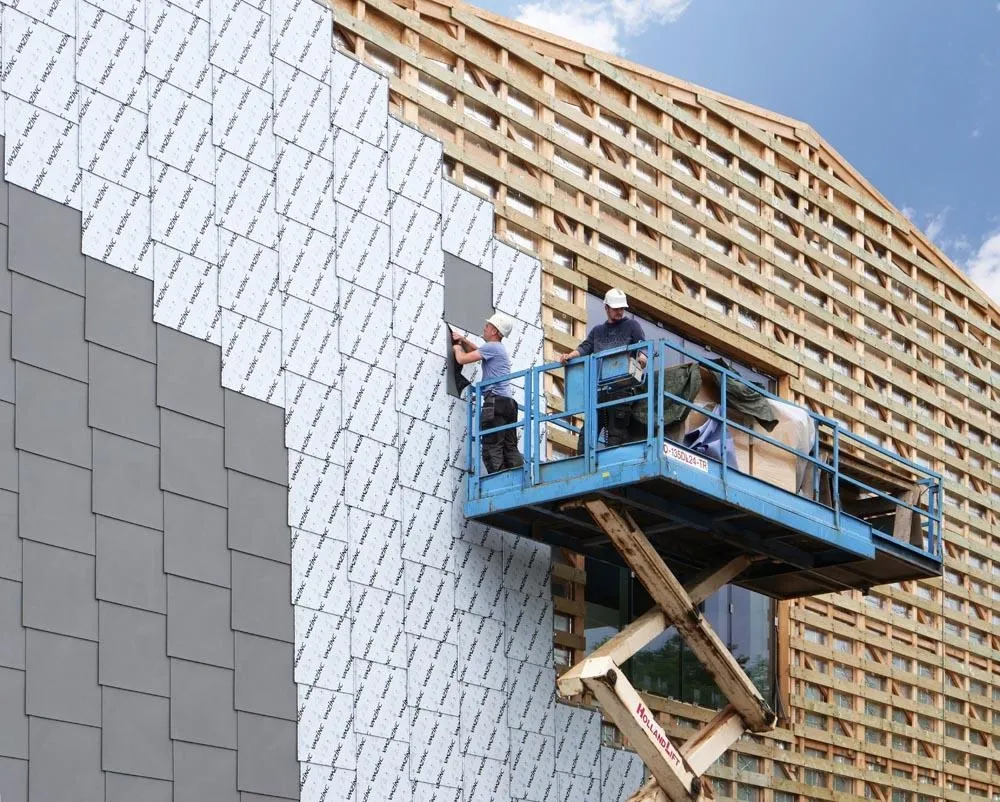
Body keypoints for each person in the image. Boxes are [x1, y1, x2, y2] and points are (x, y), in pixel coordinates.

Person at [560, 287, 647, 449]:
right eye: (615, 309)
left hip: (622, 390)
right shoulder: (598, 331)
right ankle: (584, 462)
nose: (619, 312)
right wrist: (570, 356)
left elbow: (642, 346)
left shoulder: (632, 326)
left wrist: (642, 357)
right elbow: (585, 347)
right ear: (606, 308)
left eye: (621, 308)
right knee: (586, 438)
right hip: (600, 391)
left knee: (615, 436)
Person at [452, 312, 525, 474]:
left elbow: (462, 359)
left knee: (492, 446)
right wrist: (463, 340)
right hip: (508, 404)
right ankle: (518, 476)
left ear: (495, 331)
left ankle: (499, 479)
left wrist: (457, 348)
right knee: (509, 446)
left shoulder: (492, 347)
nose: (484, 328)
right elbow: (478, 351)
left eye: (487, 326)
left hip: (495, 402)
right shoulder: (497, 348)